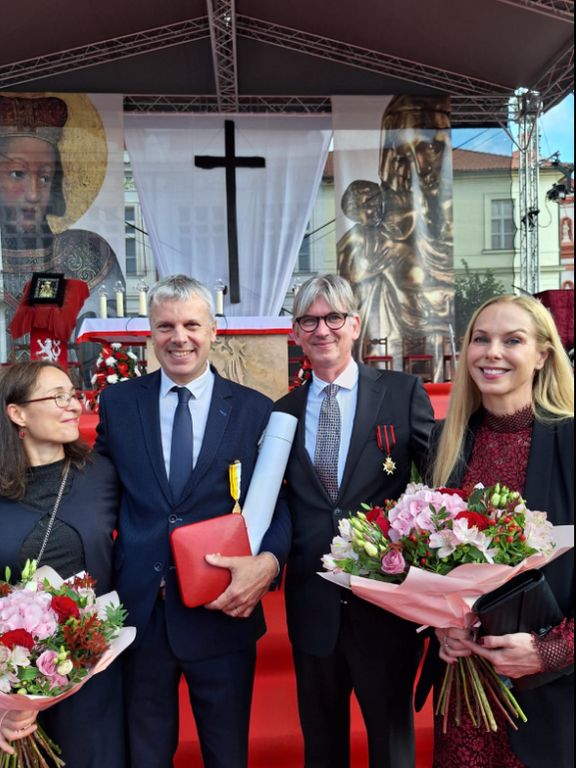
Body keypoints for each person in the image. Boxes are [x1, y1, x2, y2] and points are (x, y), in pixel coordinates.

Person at [95, 274, 291, 768]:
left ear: (213, 331)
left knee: (226, 754)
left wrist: (269, 562)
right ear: (150, 334)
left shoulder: (253, 410)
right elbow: (97, 494)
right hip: (139, 614)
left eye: (190, 325)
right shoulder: (119, 405)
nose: (178, 337)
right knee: (145, 753)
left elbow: (279, 506)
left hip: (222, 610)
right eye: (165, 326)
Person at [275, 274, 434, 768]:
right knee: (321, 748)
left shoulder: (402, 393)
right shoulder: (282, 413)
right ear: (295, 332)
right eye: (309, 320)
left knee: (392, 747)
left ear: (354, 324)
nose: (322, 330)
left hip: (384, 609)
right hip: (312, 607)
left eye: (333, 318)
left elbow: (436, 485)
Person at [424, 294, 574, 768]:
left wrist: (550, 651)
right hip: (465, 691)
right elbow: (431, 565)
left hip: (551, 693)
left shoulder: (570, 441)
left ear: (543, 355)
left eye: (513, 340)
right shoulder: (444, 442)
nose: (492, 353)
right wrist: (441, 630)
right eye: (481, 339)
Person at [0, 361, 125, 766]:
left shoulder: (102, 475)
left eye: (72, 394)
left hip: (93, 680)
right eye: (57, 397)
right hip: (10, 689)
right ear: (17, 412)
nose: (73, 405)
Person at [0, 94, 125, 378]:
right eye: (17, 174)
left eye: (44, 177)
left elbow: (105, 351)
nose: (33, 194)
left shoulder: (89, 255)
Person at [338, 95, 453, 374]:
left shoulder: (441, 213)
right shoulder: (364, 237)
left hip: (433, 319)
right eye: (403, 152)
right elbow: (350, 281)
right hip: (388, 320)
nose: (418, 163)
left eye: (432, 147)